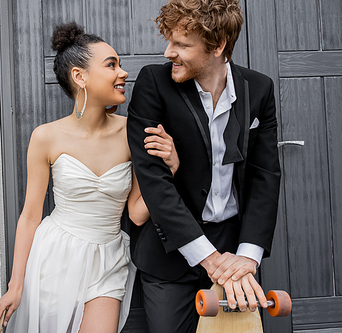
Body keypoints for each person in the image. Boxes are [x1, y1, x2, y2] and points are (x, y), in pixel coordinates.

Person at [0, 22, 179, 333]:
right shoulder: (46, 137)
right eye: (111, 65)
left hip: (109, 259)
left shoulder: (131, 133)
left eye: (119, 65)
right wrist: (15, 285)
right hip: (56, 256)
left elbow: (136, 211)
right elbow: (29, 216)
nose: (123, 73)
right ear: (80, 76)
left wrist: (169, 170)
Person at [127, 0, 281, 332]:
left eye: (181, 44)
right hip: (170, 253)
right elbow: (154, 181)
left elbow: (264, 176)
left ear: (217, 46)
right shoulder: (153, 84)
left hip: (232, 250)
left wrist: (246, 259)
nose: (169, 52)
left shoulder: (260, 88)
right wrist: (210, 260)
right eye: (169, 40)